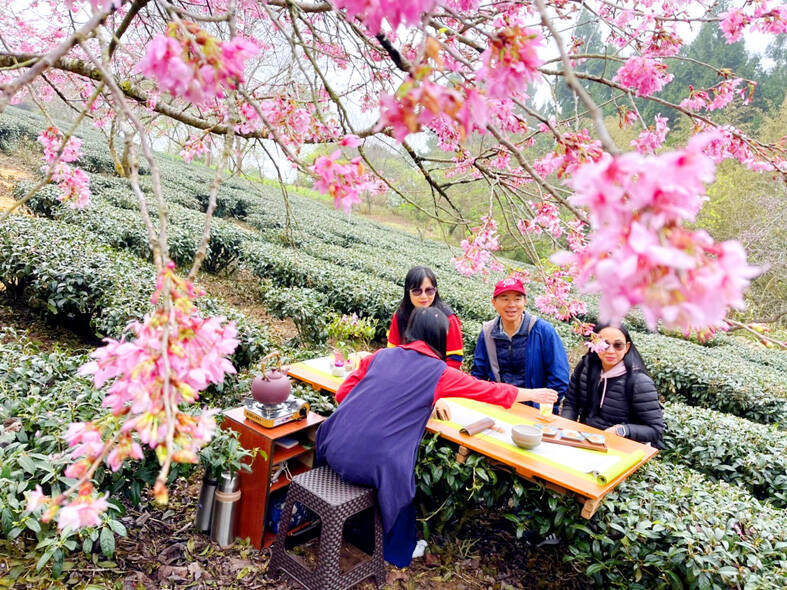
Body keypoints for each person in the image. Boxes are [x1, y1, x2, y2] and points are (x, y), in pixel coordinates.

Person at [315, 307, 557, 568]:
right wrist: (533, 394)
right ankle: (399, 550)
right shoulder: (439, 372)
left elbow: (342, 394)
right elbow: (488, 390)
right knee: (401, 483)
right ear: (441, 338)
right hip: (370, 464)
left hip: (331, 445)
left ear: (411, 330)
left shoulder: (380, 356)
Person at [471, 277, 569, 413]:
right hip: (499, 404)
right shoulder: (488, 333)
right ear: (494, 302)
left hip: (536, 409)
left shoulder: (543, 331)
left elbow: (559, 378)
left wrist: (541, 408)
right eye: (505, 299)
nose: (511, 305)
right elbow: (478, 374)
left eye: (517, 299)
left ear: (525, 302)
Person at [561, 324, 664, 448]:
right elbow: (571, 403)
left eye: (618, 345)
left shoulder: (639, 382)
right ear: (594, 343)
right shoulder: (585, 366)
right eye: (604, 344)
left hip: (619, 449)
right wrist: (566, 428)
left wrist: (622, 430)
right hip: (586, 441)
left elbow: (655, 430)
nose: (610, 351)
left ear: (627, 347)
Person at [387, 266, 464, 369]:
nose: (424, 296)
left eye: (429, 291)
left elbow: (454, 359)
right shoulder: (400, 315)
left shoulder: (449, 319)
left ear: (435, 291)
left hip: (437, 377)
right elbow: (392, 350)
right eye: (417, 291)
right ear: (407, 291)